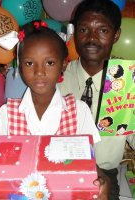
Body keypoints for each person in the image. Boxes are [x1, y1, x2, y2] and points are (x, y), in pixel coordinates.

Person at [0, 20, 109, 199]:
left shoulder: (79, 111)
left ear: (63, 65)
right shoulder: (7, 113)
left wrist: (101, 180)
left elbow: (90, 163)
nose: (39, 72)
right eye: (30, 63)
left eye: (50, 63)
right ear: (20, 67)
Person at [58, 0, 135, 199]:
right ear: (75, 32)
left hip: (104, 176)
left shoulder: (127, 83)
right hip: (57, 167)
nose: (91, 39)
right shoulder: (55, 76)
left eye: (102, 30)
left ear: (116, 35)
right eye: (84, 29)